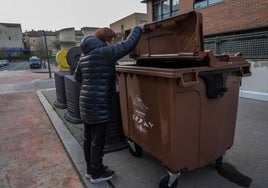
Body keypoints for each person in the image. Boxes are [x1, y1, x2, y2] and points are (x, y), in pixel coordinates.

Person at [74, 25, 143, 184]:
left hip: (85, 103)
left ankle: (91, 170)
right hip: (98, 105)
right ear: (105, 41)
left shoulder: (85, 55)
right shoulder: (104, 52)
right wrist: (138, 28)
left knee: (88, 138)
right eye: (112, 40)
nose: (113, 43)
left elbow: (78, 78)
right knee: (98, 140)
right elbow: (128, 45)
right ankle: (97, 173)